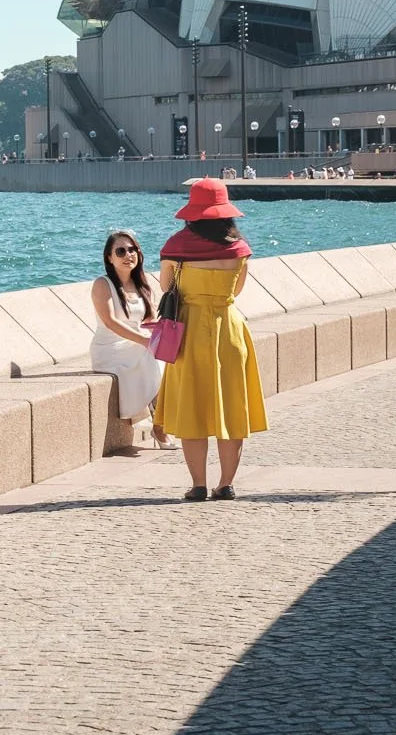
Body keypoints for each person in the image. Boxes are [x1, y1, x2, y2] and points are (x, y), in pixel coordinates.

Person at [153, 179, 267, 501]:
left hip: (188, 330)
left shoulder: (175, 247)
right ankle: (226, 483)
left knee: (192, 407)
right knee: (230, 407)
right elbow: (237, 291)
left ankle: (198, 484)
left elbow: (165, 287)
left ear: (193, 213)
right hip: (229, 330)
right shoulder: (239, 249)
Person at [89, 230, 171, 447]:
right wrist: (145, 341)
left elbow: (150, 321)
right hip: (110, 347)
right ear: (109, 257)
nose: (128, 254)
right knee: (151, 354)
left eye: (132, 249)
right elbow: (110, 322)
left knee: (168, 357)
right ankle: (160, 427)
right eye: (121, 251)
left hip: (137, 343)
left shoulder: (142, 284)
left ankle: (164, 420)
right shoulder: (102, 284)